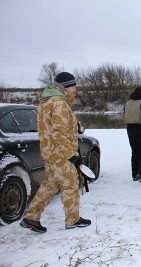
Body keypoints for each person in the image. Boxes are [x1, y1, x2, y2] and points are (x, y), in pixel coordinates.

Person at [20, 72, 91, 233]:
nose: (75, 88)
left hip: (50, 153)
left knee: (50, 185)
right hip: (61, 154)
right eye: (73, 85)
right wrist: (71, 154)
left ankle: (31, 217)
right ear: (65, 86)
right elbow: (59, 133)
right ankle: (72, 220)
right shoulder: (58, 104)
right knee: (71, 184)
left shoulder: (46, 102)